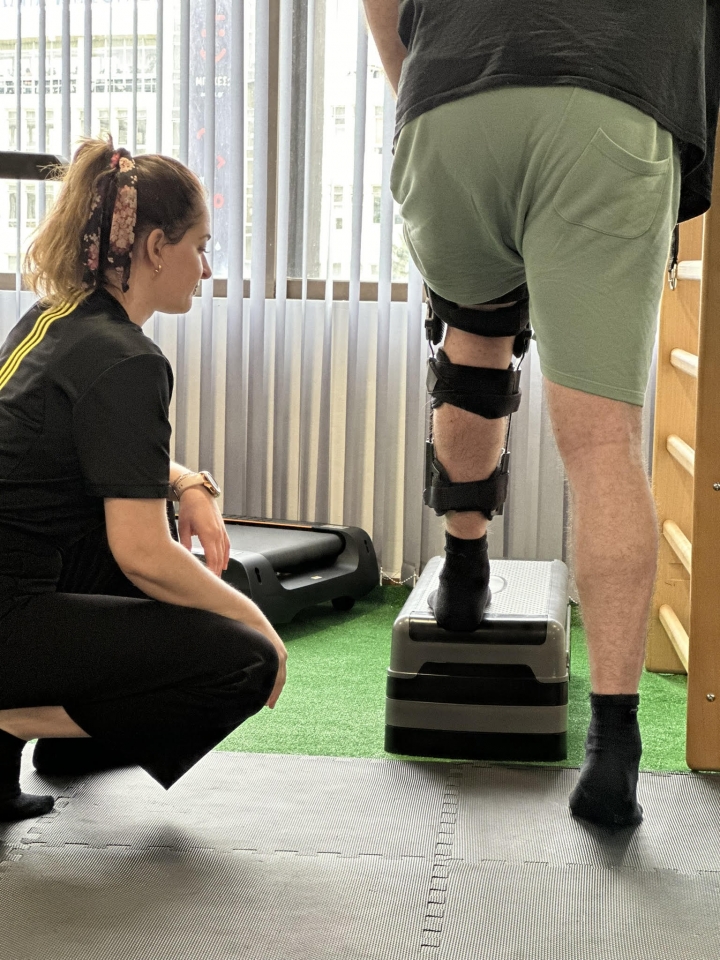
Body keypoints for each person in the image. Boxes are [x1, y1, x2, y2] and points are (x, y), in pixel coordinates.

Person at [363, 0, 720, 827]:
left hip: (449, 105)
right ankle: (613, 747)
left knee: (472, 346)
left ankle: (463, 568)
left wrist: (418, 88)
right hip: (612, 104)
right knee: (601, 445)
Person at [0, 139, 288, 822]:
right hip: (11, 608)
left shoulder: (55, 318)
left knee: (210, 585)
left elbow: (74, 451)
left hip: (22, 577)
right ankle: (10, 720)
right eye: (200, 246)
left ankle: (57, 742)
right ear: (157, 247)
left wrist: (185, 481)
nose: (207, 268)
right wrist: (261, 628)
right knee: (244, 659)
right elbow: (142, 554)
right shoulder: (128, 360)